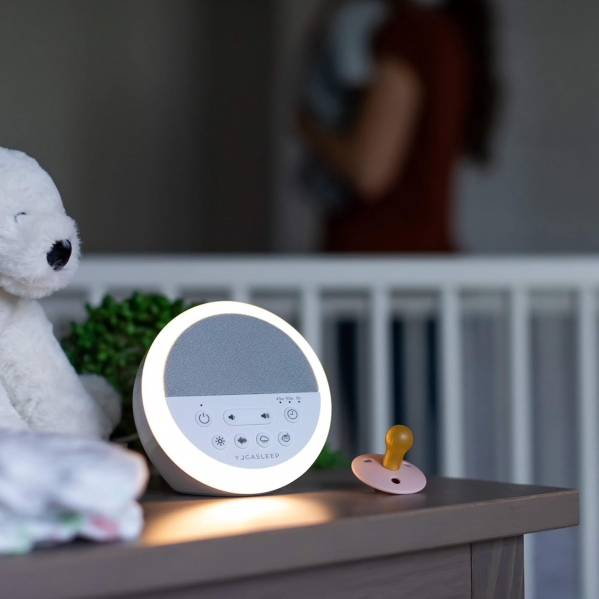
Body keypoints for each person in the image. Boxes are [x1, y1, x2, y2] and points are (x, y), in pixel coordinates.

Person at [297, 0, 499, 252]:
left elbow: (368, 172)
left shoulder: (410, 35)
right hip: (416, 254)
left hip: (383, 257)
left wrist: (308, 128)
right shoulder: (444, 34)